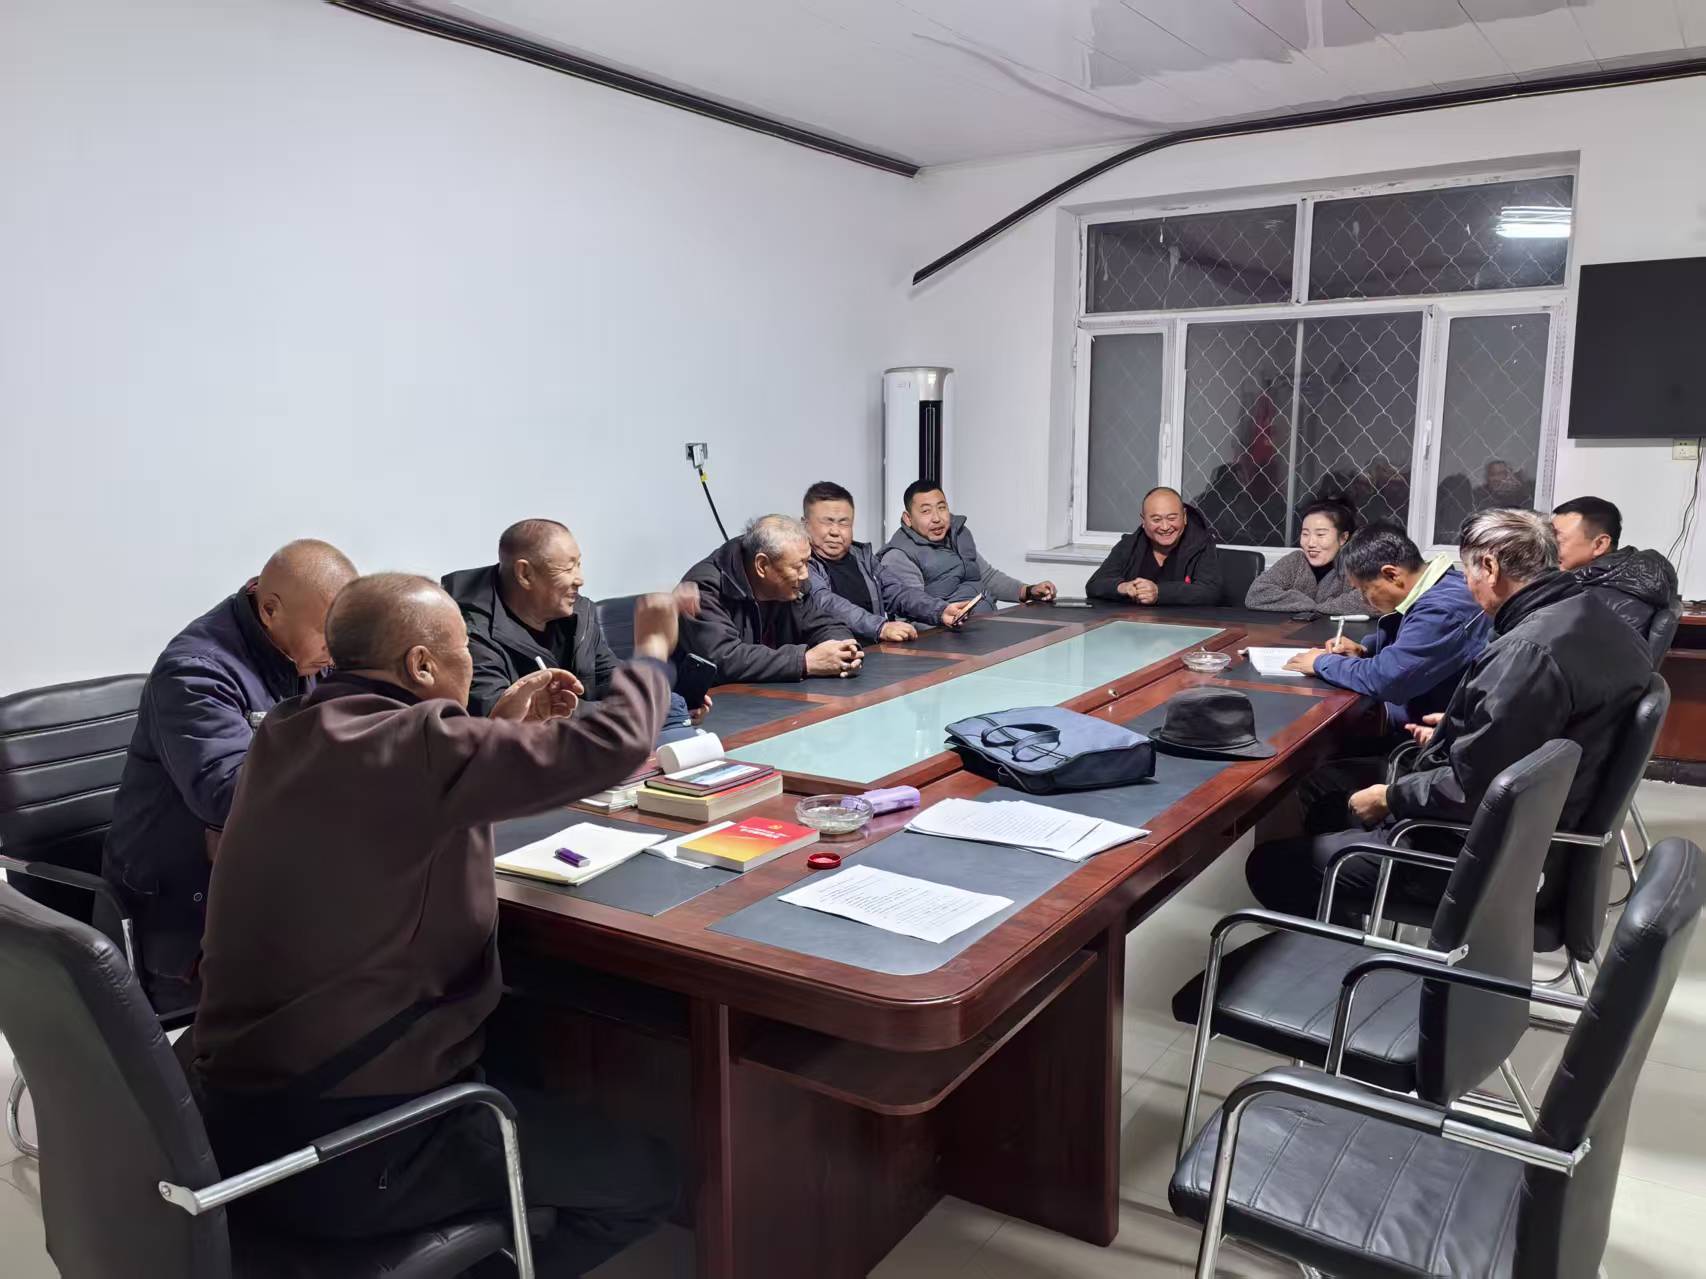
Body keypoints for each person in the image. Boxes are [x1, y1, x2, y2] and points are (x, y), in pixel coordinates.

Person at [190, 574, 683, 1274]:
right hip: (357, 1144)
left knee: (528, 1046)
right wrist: (654, 650)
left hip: (238, 1124)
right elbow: (614, 745)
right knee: (647, 1179)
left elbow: (399, 799)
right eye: (462, 651)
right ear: (421, 665)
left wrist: (498, 726)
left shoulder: (288, 730)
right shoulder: (419, 743)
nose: (471, 663)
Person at [1246, 509, 1650, 922]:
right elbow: (1537, 728)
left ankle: (1337, 949)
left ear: (1489, 567)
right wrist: (1462, 726)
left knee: (1272, 866)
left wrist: (1390, 796)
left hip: (1481, 852)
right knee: (1329, 802)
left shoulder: (1526, 651)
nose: (1467, 587)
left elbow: (1470, 789)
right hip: (1542, 832)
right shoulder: (1599, 617)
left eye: (1469, 572)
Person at [103, 539, 358, 1010]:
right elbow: (232, 796)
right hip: (187, 911)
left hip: (274, 879)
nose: (338, 649)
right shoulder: (195, 673)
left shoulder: (306, 650)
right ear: (270, 610)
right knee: (353, 984)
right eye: (327, 633)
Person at [442, 518, 701, 737]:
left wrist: (667, 698)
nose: (580, 579)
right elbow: (501, 718)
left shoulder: (579, 613)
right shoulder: (466, 632)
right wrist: (644, 707)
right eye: (568, 568)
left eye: (579, 564)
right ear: (525, 574)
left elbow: (607, 676)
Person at [679, 514, 862, 682]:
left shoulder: (793, 586)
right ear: (762, 565)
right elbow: (723, 658)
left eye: (807, 562)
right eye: (798, 566)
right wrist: (805, 662)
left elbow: (824, 624)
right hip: (713, 701)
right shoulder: (706, 588)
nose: (805, 574)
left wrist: (844, 651)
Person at [879, 480, 1056, 621]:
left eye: (941, 508)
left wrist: (1027, 591)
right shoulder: (899, 555)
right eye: (926, 511)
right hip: (946, 636)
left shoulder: (959, 534)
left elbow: (987, 577)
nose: (937, 518)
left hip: (984, 624)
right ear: (908, 518)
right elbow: (911, 611)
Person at [801, 481, 948, 642]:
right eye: (827, 522)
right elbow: (826, 603)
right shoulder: (801, 563)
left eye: (843, 523)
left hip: (876, 649)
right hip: (832, 653)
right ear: (805, 524)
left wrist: (940, 611)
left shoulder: (862, 557)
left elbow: (895, 592)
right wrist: (880, 627)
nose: (835, 531)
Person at [1552, 496, 1679, 641]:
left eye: (1558, 541)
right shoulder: (1616, 584)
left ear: (1599, 545)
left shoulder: (1604, 604)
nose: (1548, 548)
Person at [1086, 486, 1223, 607]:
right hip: (1134, 623)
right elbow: (1094, 585)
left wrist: (1159, 592)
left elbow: (1211, 592)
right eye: (1156, 520)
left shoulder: (1201, 544)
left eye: (1172, 518)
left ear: (1184, 517)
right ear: (1143, 521)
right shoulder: (1130, 544)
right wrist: (1123, 587)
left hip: (1184, 623)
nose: (1165, 527)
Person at [1244, 498, 1366, 615]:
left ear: (1343, 538)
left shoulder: (1353, 566)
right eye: (1305, 534)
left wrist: (1319, 608)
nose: (1311, 543)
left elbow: (1370, 600)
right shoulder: (1295, 561)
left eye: (1320, 534)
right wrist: (1312, 605)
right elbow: (1256, 594)